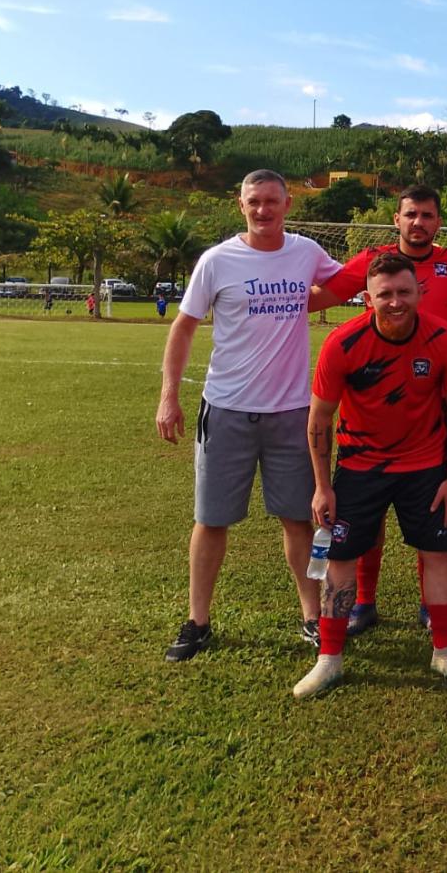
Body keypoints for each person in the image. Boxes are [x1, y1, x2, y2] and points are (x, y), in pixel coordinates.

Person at [156, 170, 344, 662]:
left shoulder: (306, 253)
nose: (263, 210)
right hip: (227, 410)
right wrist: (168, 395)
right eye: (254, 202)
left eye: (272, 202)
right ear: (240, 204)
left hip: (291, 414)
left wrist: (315, 300)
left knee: (298, 522)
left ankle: (312, 618)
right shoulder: (217, 260)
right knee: (211, 520)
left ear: (288, 203)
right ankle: (198, 621)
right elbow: (183, 327)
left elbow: (346, 283)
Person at [310, 185, 447, 635]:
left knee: (424, 512)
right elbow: (328, 295)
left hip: (431, 394)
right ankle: (365, 602)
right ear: (397, 220)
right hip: (375, 400)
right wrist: (266, 301)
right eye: (411, 214)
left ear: (438, 222)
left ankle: (431, 608)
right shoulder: (373, 261)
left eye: (428, 215)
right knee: (365, 517)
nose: (419, 222)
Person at [293, 253, 447, 698]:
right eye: (385, 295)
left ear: (418, 292)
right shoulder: (343, 343)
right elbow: (319, 420)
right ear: (366, 297)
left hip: (425, 468)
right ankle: (330, 659)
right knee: (341, 559)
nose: (396, 302)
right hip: (360, 468)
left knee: (437, 552)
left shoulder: (445, 338)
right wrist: (322, 485)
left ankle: (445, 651)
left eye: (404, 292)